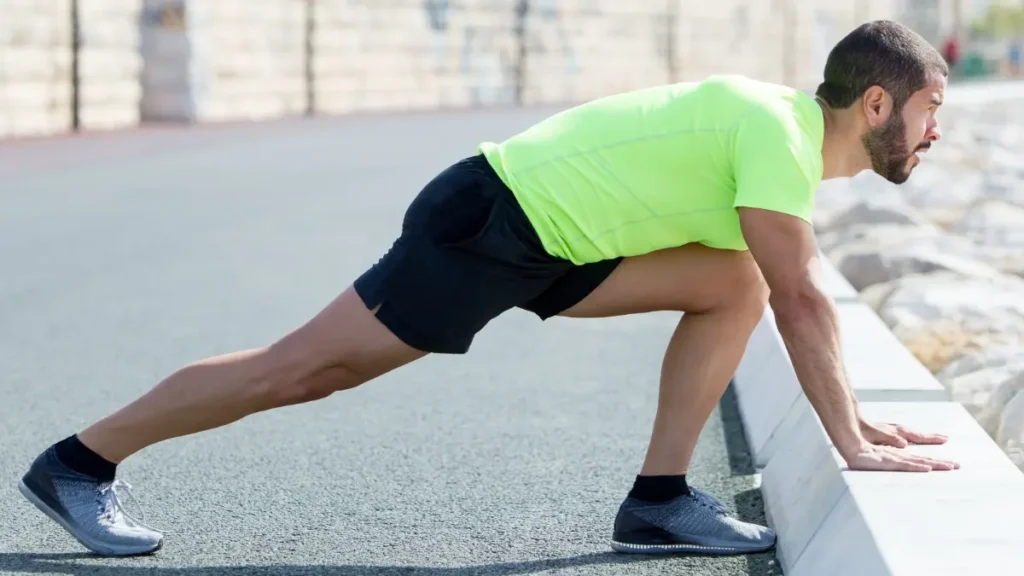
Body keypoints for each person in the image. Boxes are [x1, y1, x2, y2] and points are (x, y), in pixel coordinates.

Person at [19, 20, 959, 558]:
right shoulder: (779, 135)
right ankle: (79, 461)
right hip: (493, 219)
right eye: (929, 113)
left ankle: (661, 499)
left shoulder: (786, 143)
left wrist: (859, 424)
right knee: (301, 371)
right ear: (875, 104)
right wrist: (854, 438)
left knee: (730, 283)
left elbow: (780, 289)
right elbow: (807, 299)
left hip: (566, 242)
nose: (934, 135)